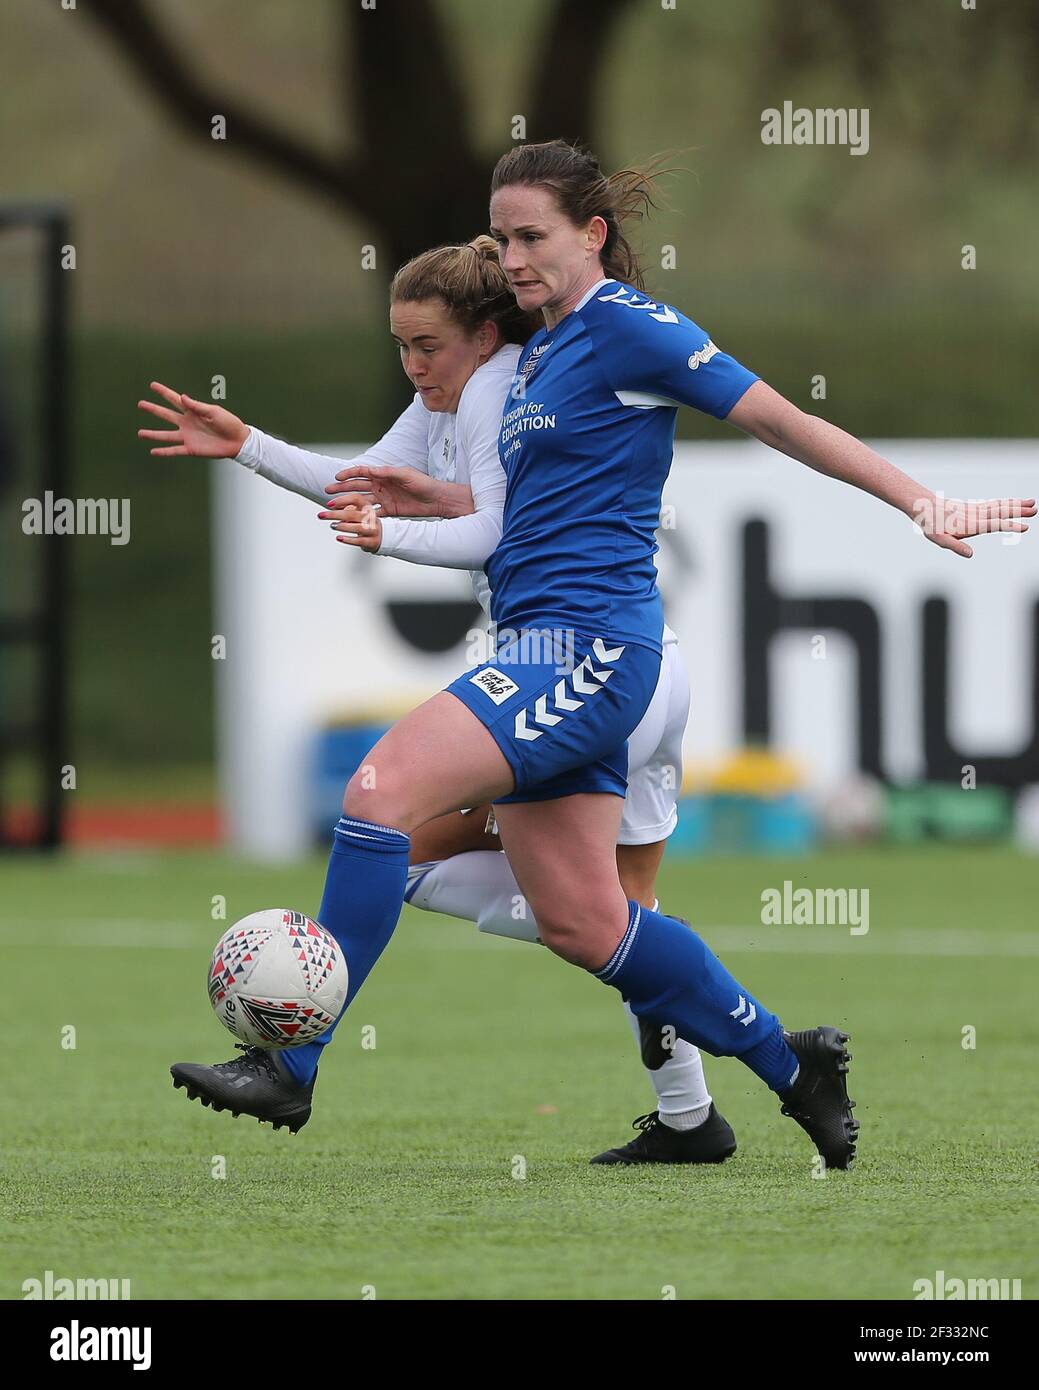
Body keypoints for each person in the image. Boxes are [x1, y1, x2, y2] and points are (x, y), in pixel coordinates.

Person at [151, 140, 1033, 1173]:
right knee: (587, 922)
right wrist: (394, 490)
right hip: (541, 647)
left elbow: (778, 420)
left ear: (593, 234)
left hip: (588, 650)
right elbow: (509, 515)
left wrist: (920, 502)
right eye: (505, 236)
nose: (513, 256)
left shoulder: (628, 328)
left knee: (378, 792)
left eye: (534, 236)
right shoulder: (542, 356)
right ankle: (792, 1068)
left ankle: (292, 1068)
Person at [139, 236, 735, 1164]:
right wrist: (248, 446)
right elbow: (363, 483)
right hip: (632, 669)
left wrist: (390, 537)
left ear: (485, 336)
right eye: (400, 347)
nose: (413, 366)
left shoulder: (502, 385)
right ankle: (690, 1117)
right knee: (614, 909)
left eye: (426, 345)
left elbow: (492, 534)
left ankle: (296, 1060)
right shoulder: (450, 397)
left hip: (589, 670)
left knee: (416, 847)